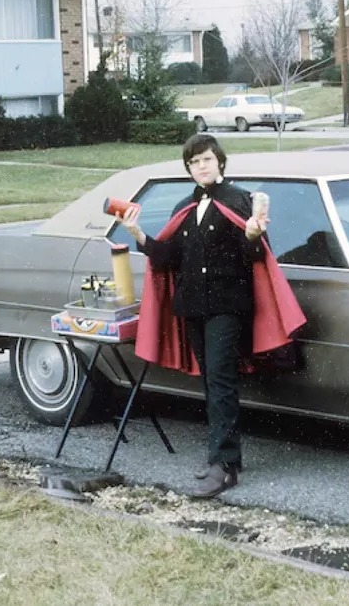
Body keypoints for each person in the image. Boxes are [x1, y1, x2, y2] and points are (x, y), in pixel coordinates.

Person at [116, 133, 303, 498]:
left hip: (228, 307)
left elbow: (254, 259)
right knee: (211, 382)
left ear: (220, 161)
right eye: (194, 162)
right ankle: (221, 456)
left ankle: (225, 466)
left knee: (221, 382)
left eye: (206, 159)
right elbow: (167, 257)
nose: (201, 166)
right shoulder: (185, 206)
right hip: (193, 308)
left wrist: (251, 236)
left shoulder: (240, 201)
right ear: (188, 169)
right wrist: (137, 233)